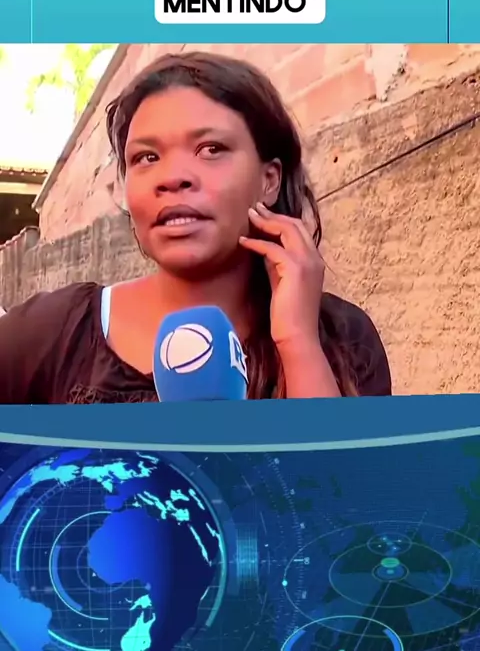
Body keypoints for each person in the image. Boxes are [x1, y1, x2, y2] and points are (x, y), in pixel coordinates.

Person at [0, 52, 391, 403]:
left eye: (211, 149)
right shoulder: (52, 333)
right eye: (146, 157)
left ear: (269, 180)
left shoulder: (344, 338)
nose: (172, 178)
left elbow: (332, 465)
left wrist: (297, 342)